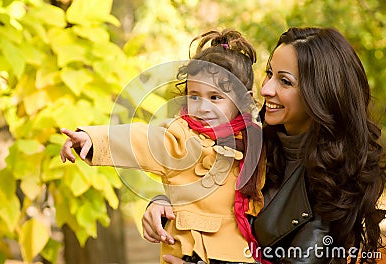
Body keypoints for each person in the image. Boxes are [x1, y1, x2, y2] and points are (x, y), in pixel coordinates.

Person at [142, 27, 386, 264]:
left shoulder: (335, 186)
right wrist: (164, 203)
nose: (265, 89)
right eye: (269, 74)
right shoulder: (251, 140)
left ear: (320, 93)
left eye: (285, 82)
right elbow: (213, 188)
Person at [60, 29, 269, 263]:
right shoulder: (181, 137)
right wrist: (92, 138)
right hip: (193, 249)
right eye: (195, 95)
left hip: (241, 253)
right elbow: (141, 140)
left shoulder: (255, 141)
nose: (202, 107)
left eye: (215, 97)